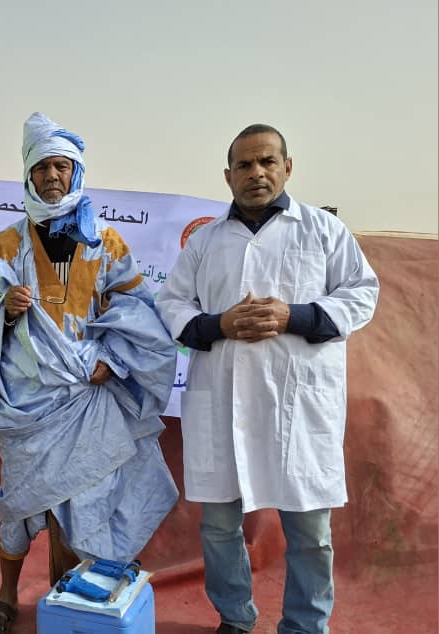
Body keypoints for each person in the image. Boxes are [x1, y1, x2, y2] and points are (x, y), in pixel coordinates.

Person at [0, 113, 179, 634]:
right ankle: (6, 596)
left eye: (62, 166)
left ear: (76, 172)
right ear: (28, 175)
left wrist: (114, 360)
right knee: (18, 502)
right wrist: (3, 310)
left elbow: (138, 312)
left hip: (89, 395)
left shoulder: (107, 243)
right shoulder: (3, 245)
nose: (52, 176)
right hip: (26, 403)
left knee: (87, 499)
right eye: (42, 167)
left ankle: (75, 598)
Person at [156, 124, 379, 634]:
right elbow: (171, 302)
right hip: (222, 400)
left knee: (310, 532)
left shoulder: (323, 230)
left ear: (287, 167)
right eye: (245, 165)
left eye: (267, 162)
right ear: (228, 176)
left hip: (296, 405)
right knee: (219, 527)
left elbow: (362, 293)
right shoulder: (205, 241)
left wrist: (293, 316)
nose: (256, 173)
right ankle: (235, 619)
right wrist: (219, 325)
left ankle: (305, 625)